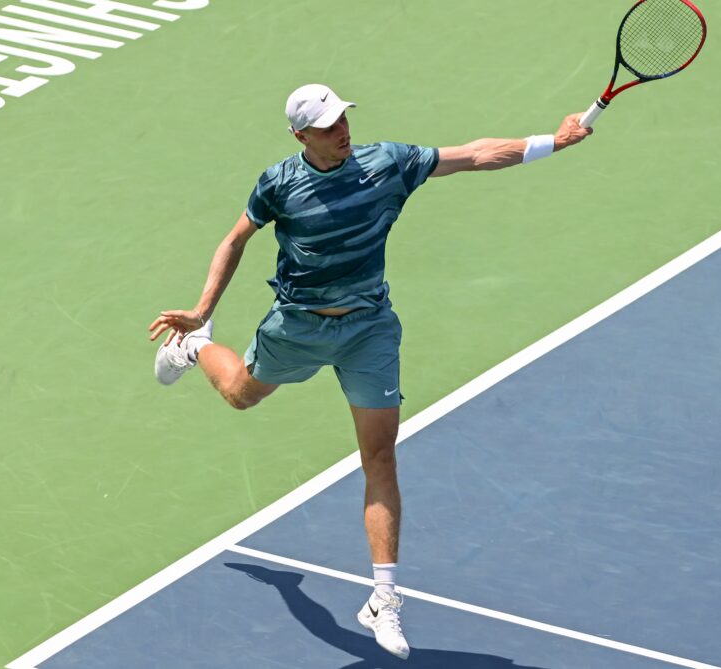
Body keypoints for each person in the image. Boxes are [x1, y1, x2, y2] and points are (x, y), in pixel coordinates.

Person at [148, 83, 592, 659]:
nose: (342, 129)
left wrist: (552, 142)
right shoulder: (279, 183)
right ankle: (195, 347)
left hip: (369, 330)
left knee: (380, 456)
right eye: (328, 125)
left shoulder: (387, 163)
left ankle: (385, 597)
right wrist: (202, 309)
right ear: (300, 135)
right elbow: (235, 240)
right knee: (238, 394)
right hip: (299, 325)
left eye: (342, 118)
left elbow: (474, 154)